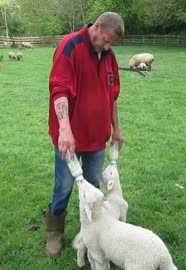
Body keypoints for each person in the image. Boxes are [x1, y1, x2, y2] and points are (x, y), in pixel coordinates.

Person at [45, 12, 125, 257]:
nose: (108, 46)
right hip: (70, 138)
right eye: (106, 40)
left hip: (97, 137)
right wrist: (65, 130)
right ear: (97, 26)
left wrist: (116, 128)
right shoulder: (70, 46)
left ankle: (90, 232)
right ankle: (54, 233)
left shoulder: (109, 56)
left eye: (112, 43)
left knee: (93, 186)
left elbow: (112, 95)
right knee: (65, 185)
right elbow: (58, 89)